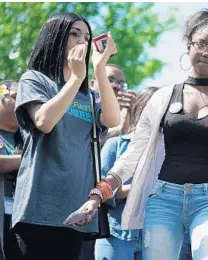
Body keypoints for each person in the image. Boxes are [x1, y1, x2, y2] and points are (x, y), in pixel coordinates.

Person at [71, 8, 208, 260]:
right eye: (201, 43)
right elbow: (132, 156)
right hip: (164, 199)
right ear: (188, 46)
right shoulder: (162, 97)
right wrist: (96, 197)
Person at [12, 12, 120, 260]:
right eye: (74, 34)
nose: (82, 41)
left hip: (77, 208)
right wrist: (77, 78)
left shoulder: (88, 96)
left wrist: (99, 69)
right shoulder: (35, 79)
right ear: (55, 38)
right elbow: (44, 121)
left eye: (87, 36)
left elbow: (113, 120)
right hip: (39, 207)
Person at [95, 86, 158, 260]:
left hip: (156, 236)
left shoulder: (172, 152)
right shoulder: (115, 145)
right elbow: (99, 191)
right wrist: (139, 186)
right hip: (117, 233)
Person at [0, 80, 24, 260]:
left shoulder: (29, 138)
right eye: (16, 96)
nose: (23, 102)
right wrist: (30, 160)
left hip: (21, 221)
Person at [90, 64, 136, 144]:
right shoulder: (81, 106)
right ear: (92, 84)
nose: (117, 86)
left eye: (121, 83)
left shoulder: (127, 115)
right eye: (109, 80)